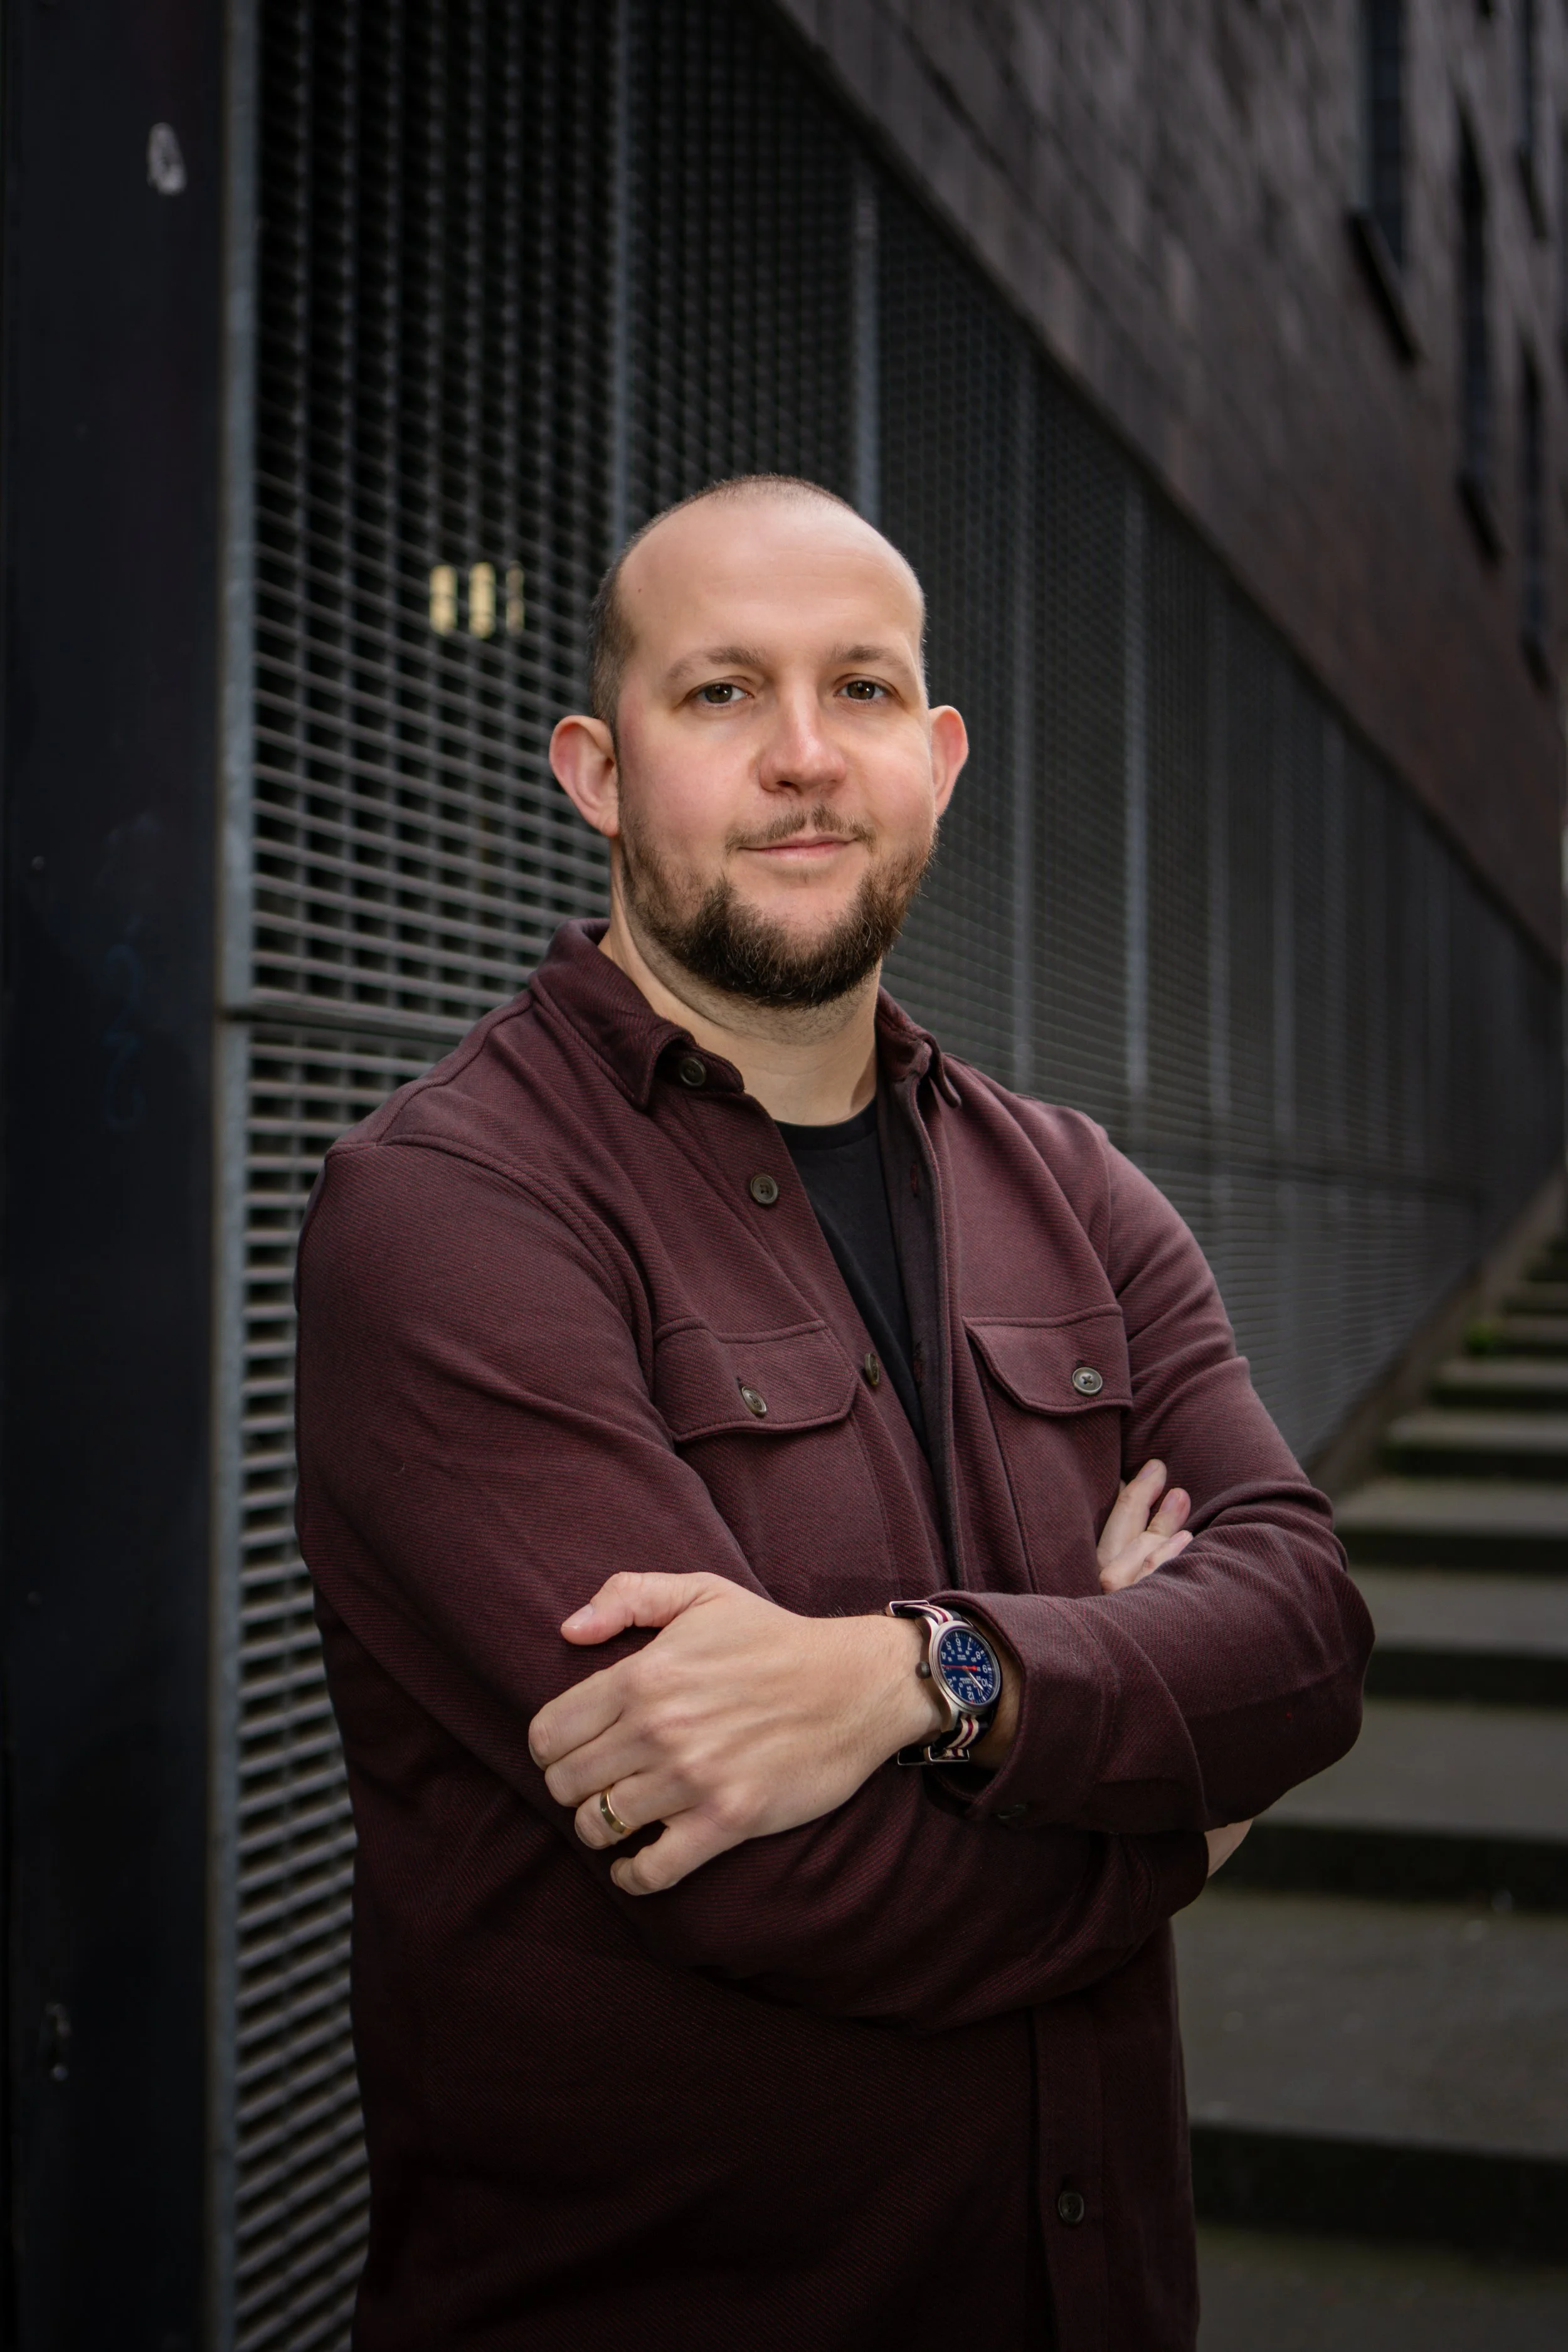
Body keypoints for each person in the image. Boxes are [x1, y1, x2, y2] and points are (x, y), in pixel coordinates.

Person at [295, 474, 1371, 2351]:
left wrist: (919, 1676)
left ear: (935, 761)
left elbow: (1301, 1632)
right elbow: (780, 1876)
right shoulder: (453, 1210)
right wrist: (1180, 1799)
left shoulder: (1075, 1189)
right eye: (721, 692)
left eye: (860, 689)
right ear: (598, 771)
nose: (803, 754)